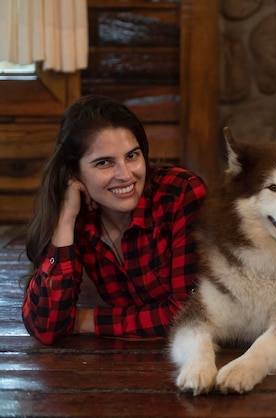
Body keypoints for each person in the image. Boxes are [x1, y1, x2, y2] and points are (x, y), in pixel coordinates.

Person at [21, 94, 208, 345]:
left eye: (132, 156)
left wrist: (84, 320)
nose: (125, 175)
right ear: (73, 172)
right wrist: (65, 219)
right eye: (104, 163)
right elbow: (45, 326)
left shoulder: (181, 193)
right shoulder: (79, 213)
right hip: (127, 365)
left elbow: (189, 313)